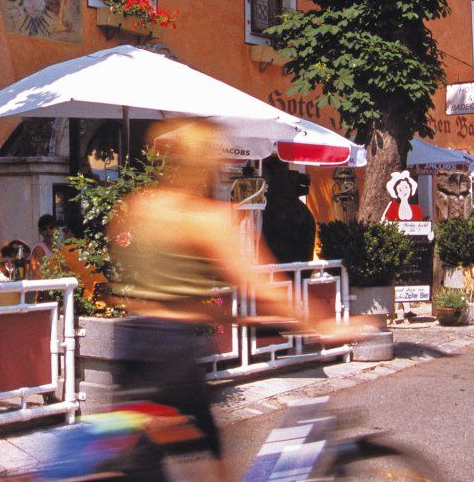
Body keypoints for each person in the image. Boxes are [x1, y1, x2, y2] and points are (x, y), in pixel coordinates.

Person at [107, 122, 362, 475]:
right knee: (212, 457)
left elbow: (151, 283)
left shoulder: (137, 208)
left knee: (139, 461)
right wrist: (322, 325)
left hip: (132, 343)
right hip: (174, 353)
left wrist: (229, 318)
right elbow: (263, 286)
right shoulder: (207, 219)